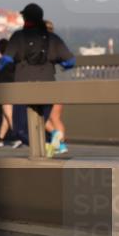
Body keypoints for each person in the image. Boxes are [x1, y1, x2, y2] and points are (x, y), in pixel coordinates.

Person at [2, 4, 75, 156]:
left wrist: (9, 67)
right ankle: (51, 144)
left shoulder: (18, 36)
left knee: (20, 130)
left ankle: (46, 146)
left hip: (23, 88)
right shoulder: (52, 38)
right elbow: (70, 61)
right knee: (40, 123)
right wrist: (59, 63)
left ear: (25, 18)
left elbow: (6, 60)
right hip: (47, 87)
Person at [0, 38, 22, 148]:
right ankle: (0, 139)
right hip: (15, 89)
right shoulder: (15, 61)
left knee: (9, 115)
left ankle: (19, 137)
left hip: (4, 90)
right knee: (6, 116)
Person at [44, 19, 67, 154]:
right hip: (60, 84)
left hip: (46, 82)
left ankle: (54, 134)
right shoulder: (58, 43)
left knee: (40, 116)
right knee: (56, 117)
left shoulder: (39, 45)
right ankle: (61, 145)